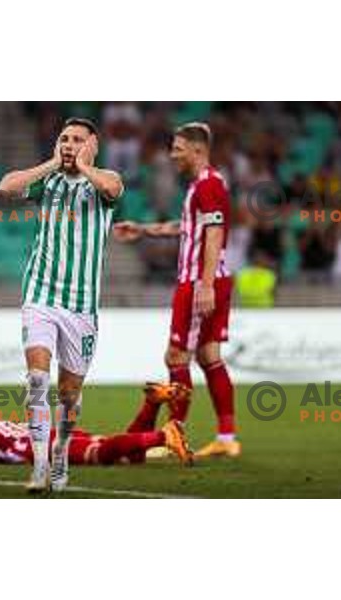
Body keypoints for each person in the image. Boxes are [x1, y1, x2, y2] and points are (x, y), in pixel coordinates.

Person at [0, 118, 124, 492]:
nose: (70, 144)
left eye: (78, 140)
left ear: (93, 145)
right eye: (64, 139)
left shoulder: (103, 180)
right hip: (41, 295)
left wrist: (83, 164)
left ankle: (61, 451)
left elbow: (112, 189)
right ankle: (38, 465)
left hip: (81, 305)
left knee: (69, 395)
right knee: (37, 379)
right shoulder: (48, 182)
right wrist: (53, 163)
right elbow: (4, 188)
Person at [113, 122, 240, 459]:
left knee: (176, 356)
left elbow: (213, 235)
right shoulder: (204, 185)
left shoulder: (208, 185)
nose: (172, 154)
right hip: (207, 279)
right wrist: (143, 229)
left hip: (199, 281)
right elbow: (185, 228)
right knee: (209, 357)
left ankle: (173, 436)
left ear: (197, 150)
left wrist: (207, 284)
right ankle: (227, 437)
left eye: (178, 148)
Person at [0, 382, 192, 473]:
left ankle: (164, 435)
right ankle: (152, 402)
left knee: (101, 455)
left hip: (44, 446)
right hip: (45, 437)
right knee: (129, 459)